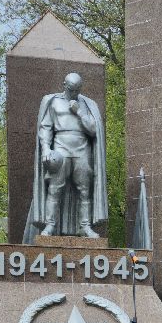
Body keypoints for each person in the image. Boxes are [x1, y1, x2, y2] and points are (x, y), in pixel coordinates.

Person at [24, 72, 107, 242]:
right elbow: (45, 127)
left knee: (85, 191)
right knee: (55, 189)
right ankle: (50, 225)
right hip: (60, 148)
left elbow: (93, 130)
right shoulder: (53, 102)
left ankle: (85, 226)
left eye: (77, 90)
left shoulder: (87, 104)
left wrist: (79, 113)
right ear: (64, 85)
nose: (74, 93)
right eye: (71, 89)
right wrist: (46, 148)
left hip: (82, 149)